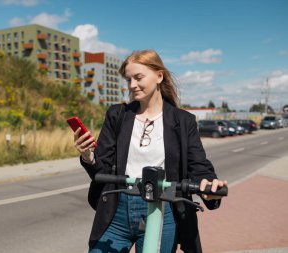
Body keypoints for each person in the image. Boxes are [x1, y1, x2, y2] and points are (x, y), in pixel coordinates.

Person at [72, 49, 227, 253]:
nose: (132, 85)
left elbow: (198, 165)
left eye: (138, 77)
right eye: (128, 79)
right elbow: (102, 169)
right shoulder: (117, 115)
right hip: (118, 209)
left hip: (162, 211)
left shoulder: (183, 121)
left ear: (159, 76)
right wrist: (88, 155)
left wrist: (209, 183)